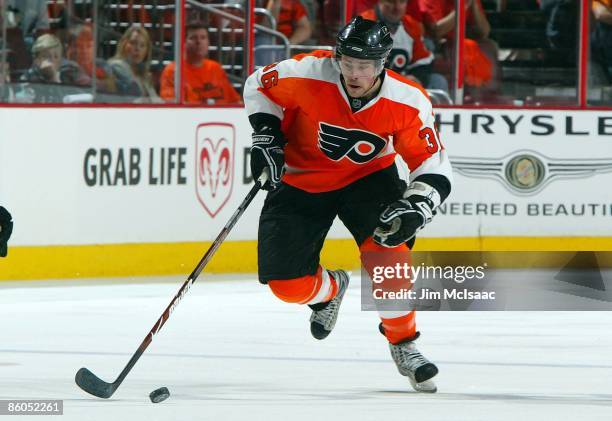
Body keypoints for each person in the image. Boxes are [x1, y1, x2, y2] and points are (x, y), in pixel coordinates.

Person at [243, 16, 452, 392]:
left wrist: (416, 207)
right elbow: (258, 85)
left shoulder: (406, 101)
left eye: (366, 65)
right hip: (301, 177)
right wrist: (265, 135)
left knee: (390, 257)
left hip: (368, 179)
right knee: (287, 286)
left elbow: (433, 165)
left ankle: (404, 343)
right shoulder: (306, 72)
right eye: (348, 63)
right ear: (337, 57)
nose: (355, 74)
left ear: (383, 62)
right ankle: (331, 290)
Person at [361, 0, 448, 92]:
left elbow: (423, 61)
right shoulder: (363, 25)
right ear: (380, 2)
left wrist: (415, 77)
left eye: (402, 2)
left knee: (438, 81)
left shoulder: (412, 26)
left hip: (402, 88)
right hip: (372, 88)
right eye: (391, 2)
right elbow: (355, 66)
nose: (397, 8)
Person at [420, 0, 499, 94]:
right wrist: (462, 7)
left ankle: (487, 95)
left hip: (455, 42)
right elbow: (436, 31)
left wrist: (473, 4)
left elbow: (483, 32)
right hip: (432, 45)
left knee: (489, 46)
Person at [159, 21, 241, 105]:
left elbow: (235, 101)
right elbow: (171, 106)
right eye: (193, 38)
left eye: (203, 37)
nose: (199, 42)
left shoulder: (215, 67)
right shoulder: (173, 71)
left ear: (208, 42)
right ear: (183, 43)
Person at [107, 26, 161, 103]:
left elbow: (157, 103)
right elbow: (133, 98)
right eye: (133, 43)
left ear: (147, 51)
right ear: (123, 44)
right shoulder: (116, 66)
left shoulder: (144, 75)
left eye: (142, 45)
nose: (137, 49)